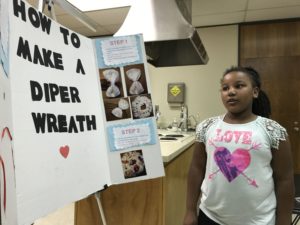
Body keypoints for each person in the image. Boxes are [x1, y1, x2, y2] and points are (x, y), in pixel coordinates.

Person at [183, 66, 295, 225]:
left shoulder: (273, 130)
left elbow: (284, 179)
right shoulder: (206, 127)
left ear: (255, 92)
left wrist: (284, 220)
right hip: (210, 217)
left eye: (239, 86)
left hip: (258, 220)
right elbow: (196, 168)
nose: (231, 92)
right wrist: (189, 210)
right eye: (225, 88)